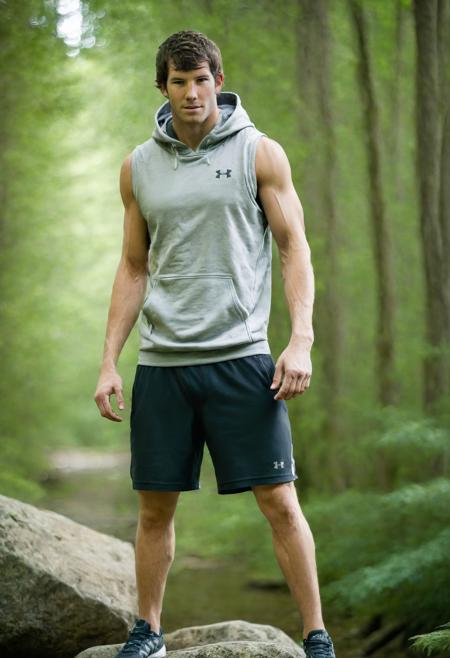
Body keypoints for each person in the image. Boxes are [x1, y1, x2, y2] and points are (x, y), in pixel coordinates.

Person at [94, 30, 336, 658]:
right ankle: (147, 631)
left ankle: (316, 636)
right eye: (179, 81)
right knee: (153, 512)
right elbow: (132, 266)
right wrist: (108, 363)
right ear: (163, 87)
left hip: (242, 360)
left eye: (201, 80)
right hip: (163, 366)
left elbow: (293, 248)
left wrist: (301, 339)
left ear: (218, 81)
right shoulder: (138, 166)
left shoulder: (261, 153)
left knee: (281, 503)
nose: (192, 92)